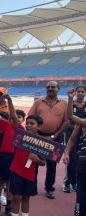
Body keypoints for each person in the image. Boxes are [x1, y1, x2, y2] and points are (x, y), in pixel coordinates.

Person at [28, 81, 69, 199]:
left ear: (58, 89)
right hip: (38, 136)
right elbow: (30, 117)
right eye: (48, 87)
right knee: (34, 162)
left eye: (53, 87)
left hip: (55, 138)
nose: (50, 89)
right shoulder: (38, 102)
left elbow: (66, 122)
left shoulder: (64, 104)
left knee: (52, 166)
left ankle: (49, 188)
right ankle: (32, 185)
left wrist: (53, 136)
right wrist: (36, 134)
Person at [9, 115, 46, 216]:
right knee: (16, 197)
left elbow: (43, 163)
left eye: (32, 123)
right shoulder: (20, 135)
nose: (28, 125)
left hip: (30, 174)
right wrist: (9, 100)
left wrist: (36, 159)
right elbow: (15, 120)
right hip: (16, 171)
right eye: (27, 123)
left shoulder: (43, 142)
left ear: (39, 127)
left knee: (26, 197)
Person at [64, 88, 86, 216]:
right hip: (83, 164)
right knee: (81, 196)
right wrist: (66, 153)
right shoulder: (83, 122)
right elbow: (70, 116)